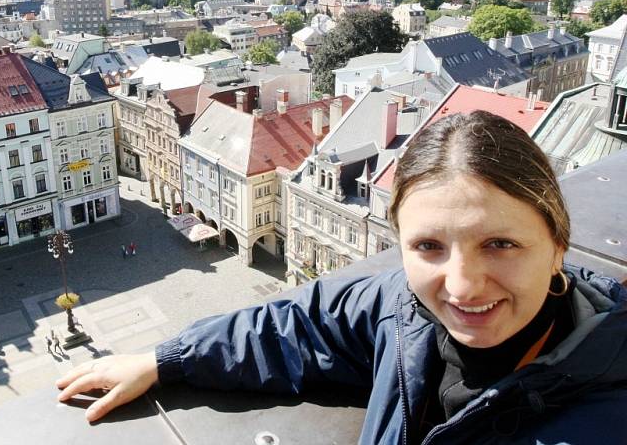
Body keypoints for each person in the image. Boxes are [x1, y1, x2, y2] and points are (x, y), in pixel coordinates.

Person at [56, 111, 627, 443]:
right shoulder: (403, 313)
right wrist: (167, 360)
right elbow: (295, 327)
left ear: (556, 245)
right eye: (428, 246)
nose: (461, 285)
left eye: (499, 244)